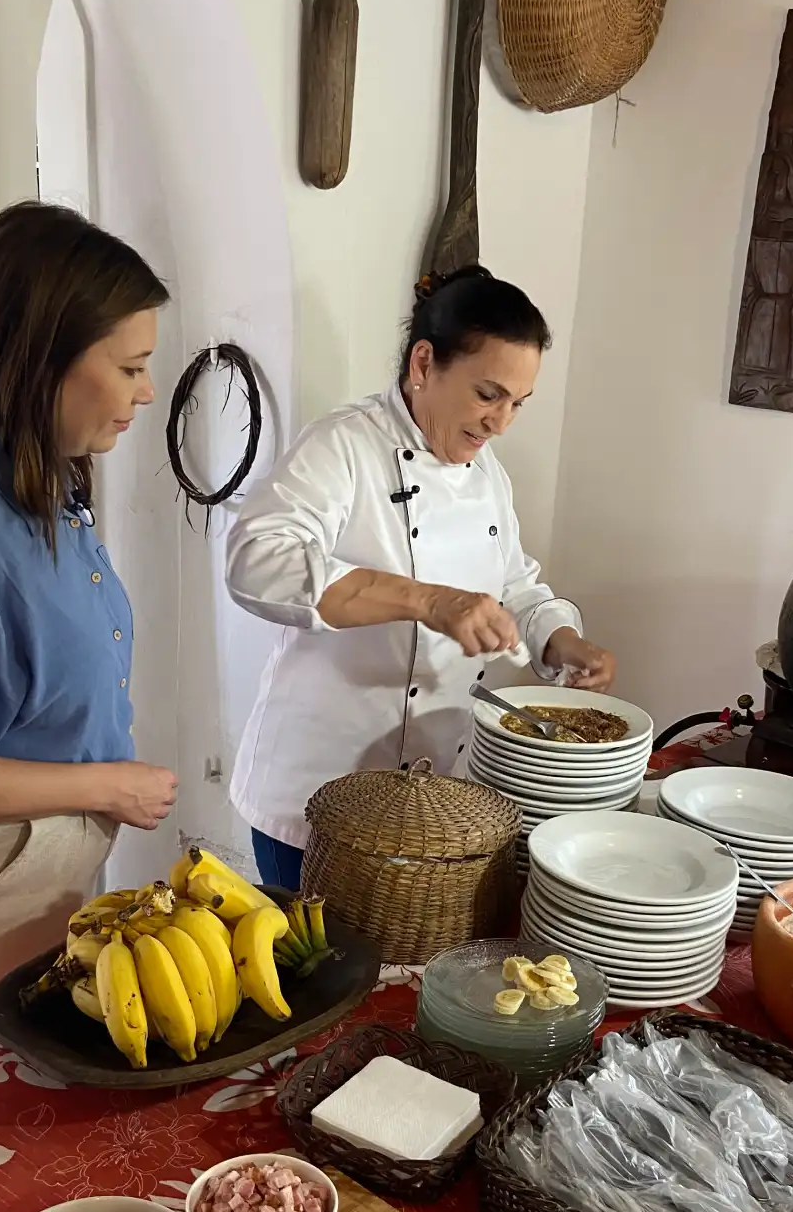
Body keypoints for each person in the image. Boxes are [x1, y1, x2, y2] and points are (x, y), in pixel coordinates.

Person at [226, 266, 616, 891]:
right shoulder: (342, 446)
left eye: (518, 404)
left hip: (432, 800)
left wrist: (558, 638)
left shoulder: (487, 475)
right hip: (316, 791)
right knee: (310, 975)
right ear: (423, 363)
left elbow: (512, 584)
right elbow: (256, 562)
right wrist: (426, 601)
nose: (500, 423)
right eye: (487, 394)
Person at [0, 202, 179, 1043]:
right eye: (129, 366)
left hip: (41, 868)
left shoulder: (43, 479)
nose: (147, 390)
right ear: (42, 359)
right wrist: (109, 785)